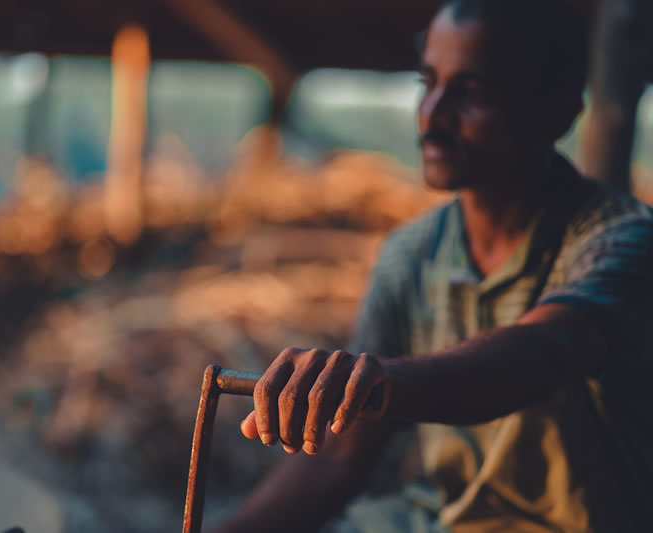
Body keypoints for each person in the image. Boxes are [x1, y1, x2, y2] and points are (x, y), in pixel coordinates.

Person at [211, 0, 653, 531]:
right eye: (428, 84)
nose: (431, 116)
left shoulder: (619, 239)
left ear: (556, 113)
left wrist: (374, 378)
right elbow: (341, 458)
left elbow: (538, 357)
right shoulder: (410, 255)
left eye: (470, 93)